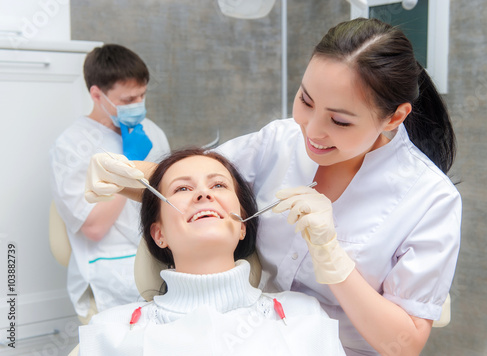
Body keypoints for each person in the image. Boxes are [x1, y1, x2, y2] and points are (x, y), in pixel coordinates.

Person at [84, 18, 461, 355]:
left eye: (340, 121)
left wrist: (334, 261)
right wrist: (126, 176)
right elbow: (203, 177)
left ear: (394, 117)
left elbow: (405, 344)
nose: (311, 132)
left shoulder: (430, 199)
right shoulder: (279, 141)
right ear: (157, 233)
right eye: (305, 100)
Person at [78, 148, 345, 355]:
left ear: (242, 225)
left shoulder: (302, 317)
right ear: (159, 234)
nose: (204, 194)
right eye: (182, 188)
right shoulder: (111, 332)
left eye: (218, 185)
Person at [49, 44, 170, 323]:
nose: (138, 105)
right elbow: (93, 227)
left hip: (158, 249)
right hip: (110, 263)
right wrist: (126, 165)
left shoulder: (150, 131)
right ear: (96, 94)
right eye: (128, 99)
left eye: (142, 95)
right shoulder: (70, 147)